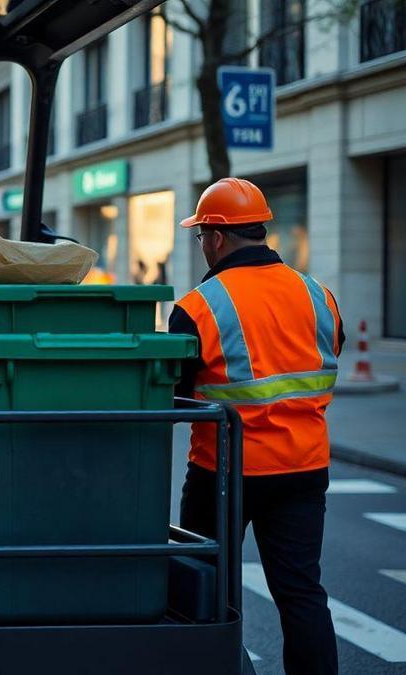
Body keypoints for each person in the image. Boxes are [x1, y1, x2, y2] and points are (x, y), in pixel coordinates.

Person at [170, 178, 343, 675]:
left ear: (218, 238)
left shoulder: (198, 307)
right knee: (301, 594)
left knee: (205, 587)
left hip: (223, 473)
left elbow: (174, 390)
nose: (201, 244)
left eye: (200, 234)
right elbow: (330, 355)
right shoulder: (317, 294)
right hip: (303, 469)